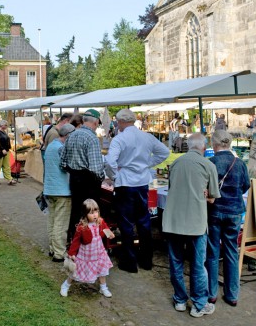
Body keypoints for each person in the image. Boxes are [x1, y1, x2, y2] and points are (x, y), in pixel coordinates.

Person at [105, 109, 169, 273]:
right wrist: (147, 163)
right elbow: (164, 152)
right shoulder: (146, 136)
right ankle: (146, 260)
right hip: (142, 182)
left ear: (120, 122)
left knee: (126, 223)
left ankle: (130, 262)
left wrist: (114, 176)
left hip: (125, 182)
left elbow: (110, 161)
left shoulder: (119, 139)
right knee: (143, 221)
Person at [163, 133, 220, 318]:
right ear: (203, 148)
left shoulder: (176, 163)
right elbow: (212, 197)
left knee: (176, 262)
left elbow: (172, 188)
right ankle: (199, 304)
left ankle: (180, 299)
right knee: (197, 264)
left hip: (173, 221)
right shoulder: (208, 165)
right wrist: (205, 195)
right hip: (196, 222)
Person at [206, 130, 250, 307]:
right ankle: (232, 294)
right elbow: (245, 185)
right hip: (234, 211)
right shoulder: (239, 163)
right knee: (231, 251)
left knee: (213, 251)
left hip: (215, 210)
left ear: (213, 143)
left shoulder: (211, 163)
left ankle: (212, 292)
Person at [60, 109, 105, 237]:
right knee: (90, 213)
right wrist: (101, 178)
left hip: (74, 179)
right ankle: (89, 241)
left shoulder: (72, 135)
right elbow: (96, 168)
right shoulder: (92, 138)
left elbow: (62, 161)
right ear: (96, 123)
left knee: (76, 210)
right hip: (89, 182)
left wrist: (73, 171)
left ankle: (73, 238)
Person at [60, 199, 114, 298]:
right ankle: (65, 285)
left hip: (98, 253)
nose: (94, 215)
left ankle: (103, 287)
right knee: (75, 271)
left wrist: (109, 234)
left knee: (102, 271)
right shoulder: (82, 227)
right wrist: (72, 253)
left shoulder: (100, 221)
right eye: (91, 213)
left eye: (96, 211)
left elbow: (105, 228)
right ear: (85, 214)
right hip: (85, 254)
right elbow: (76, 241)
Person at [44, 123, 76, 262]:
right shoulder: (62, 149)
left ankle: (52, 248)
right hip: (61, 190)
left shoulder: (51, 146)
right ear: (68, 136)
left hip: (50, 188)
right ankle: (59, 252)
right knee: (61, 223)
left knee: (52, 220)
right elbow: (67, 167)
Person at [0, 120, 17, 186]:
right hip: (0, 151)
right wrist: (2, 149)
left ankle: (9, 179)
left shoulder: (4, 131)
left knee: (7, 166)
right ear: (2, 125)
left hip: (6, 150)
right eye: (5, 125)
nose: (6, 126)